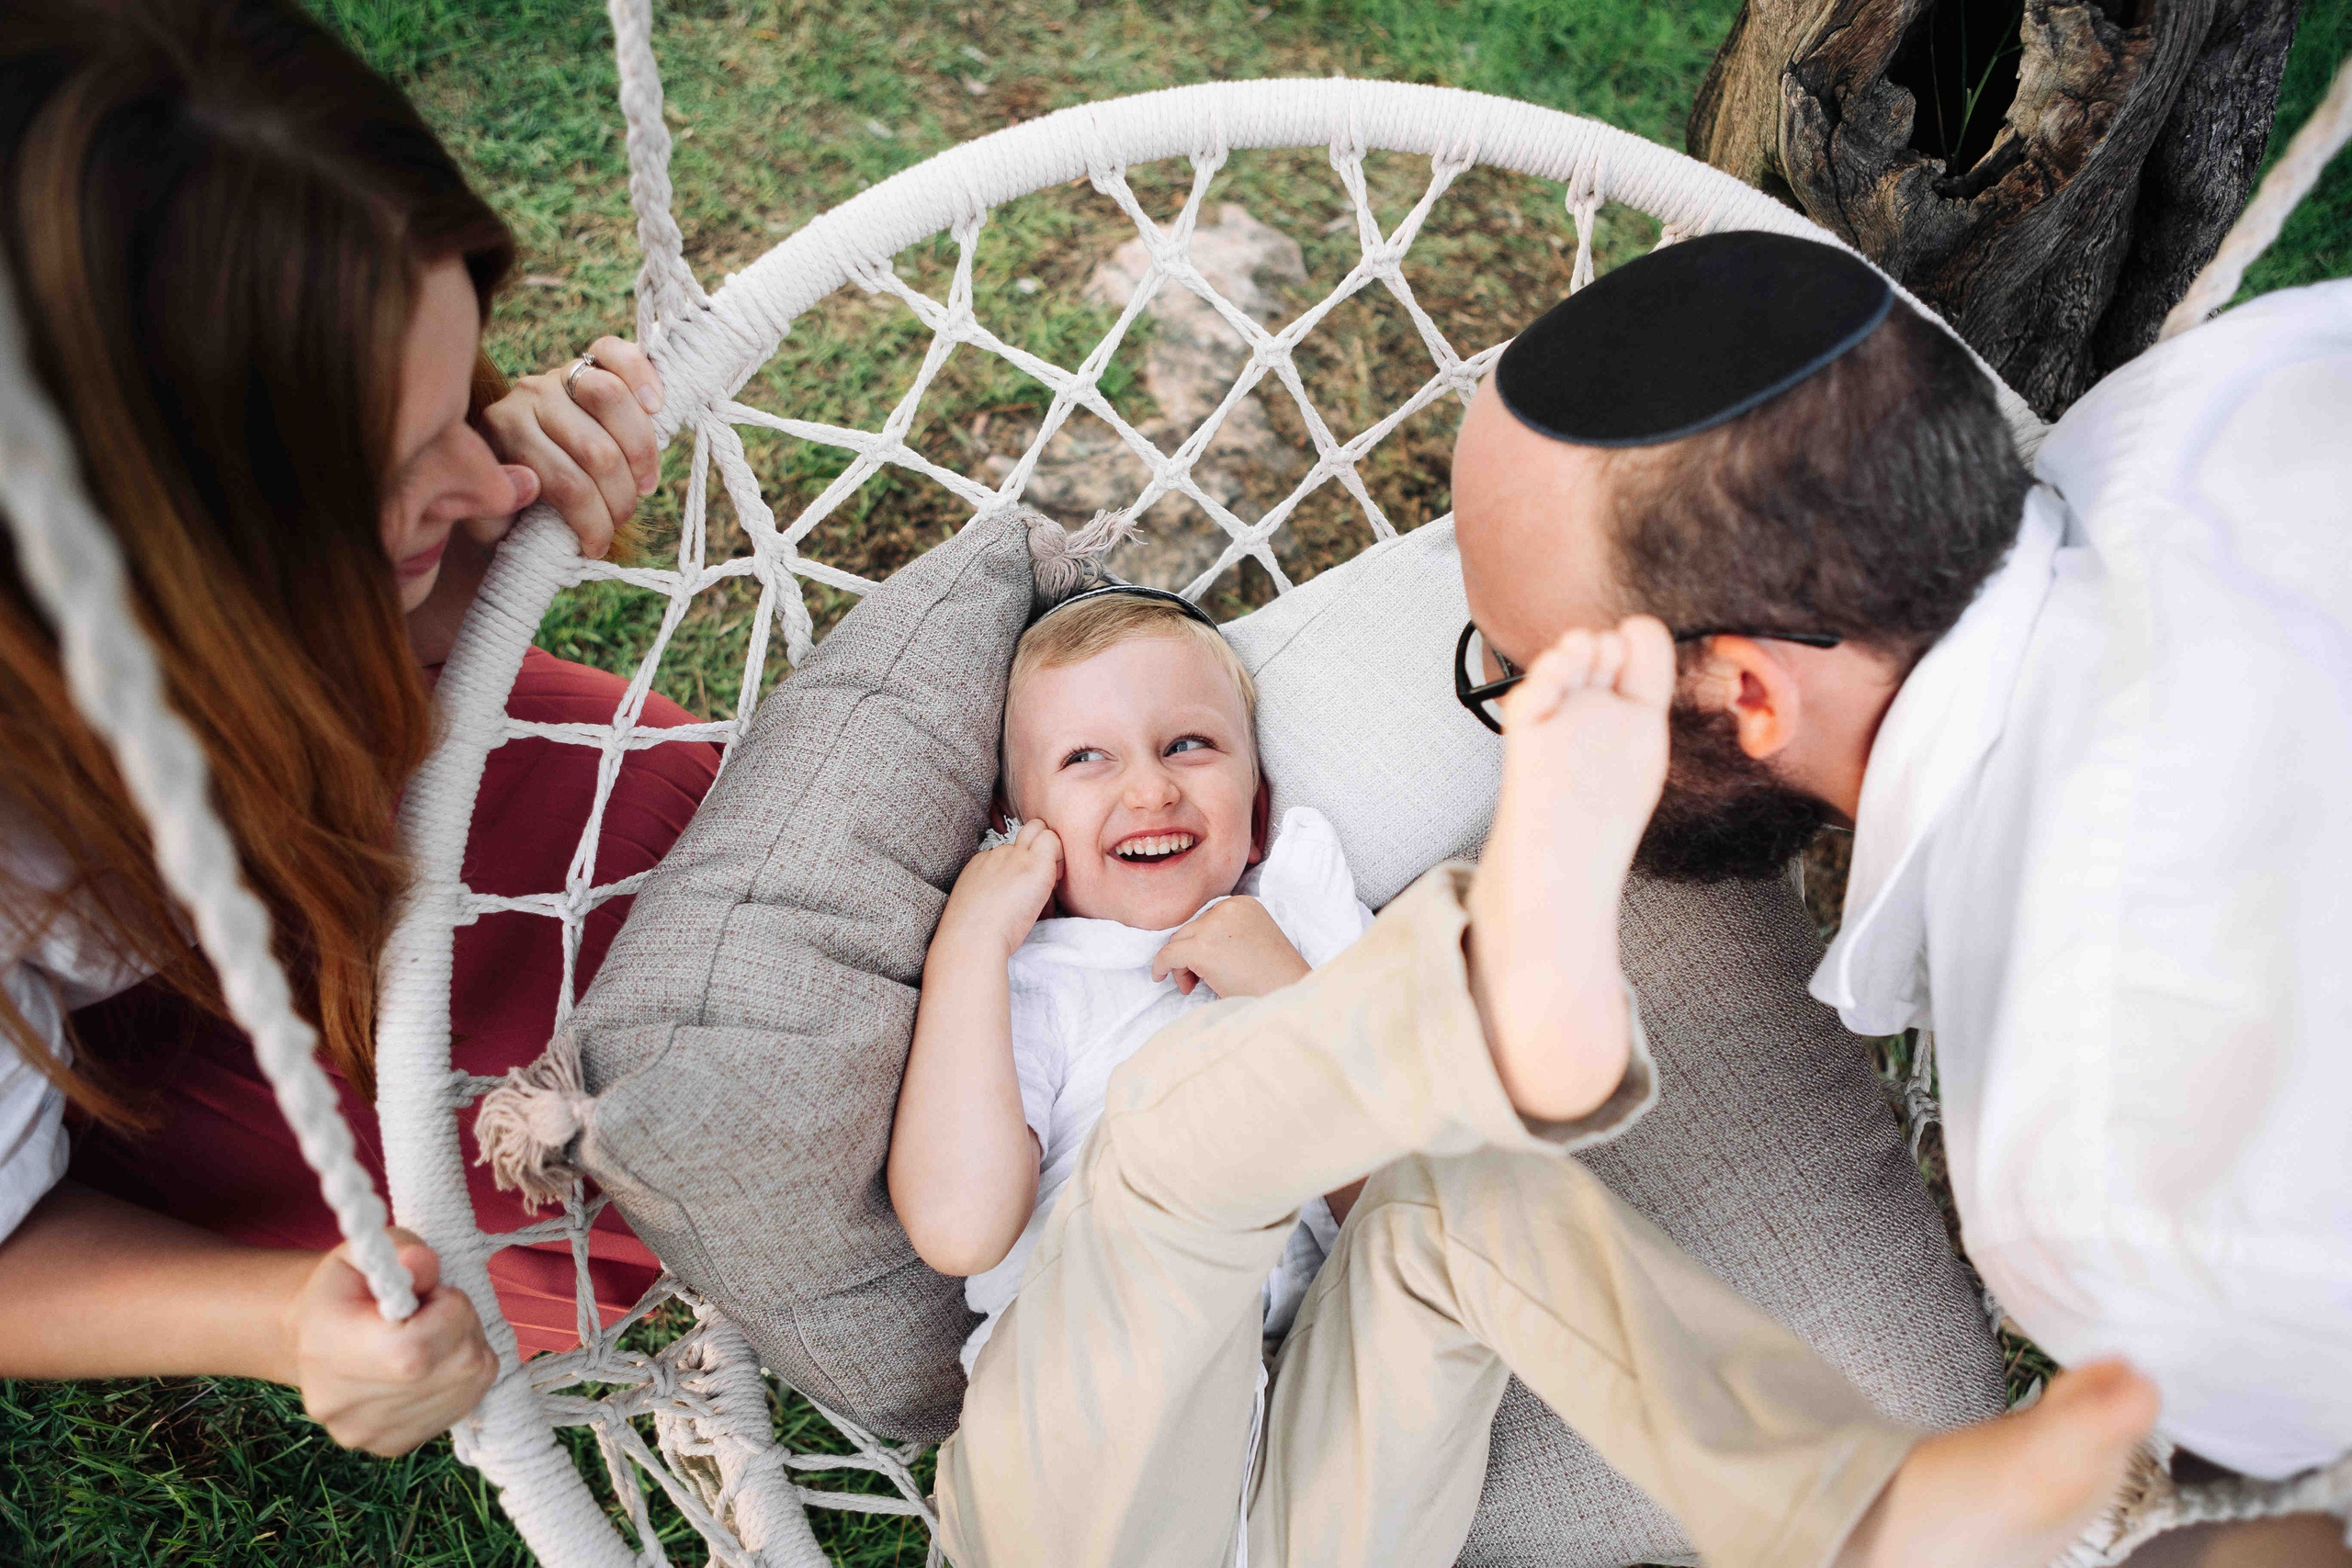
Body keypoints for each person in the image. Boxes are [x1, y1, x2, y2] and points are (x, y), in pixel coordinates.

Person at [915, 583, 2161, 1566]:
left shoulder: (1293, 913)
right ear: (1016, 831)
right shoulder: (1046, 974)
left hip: (1315, 1511)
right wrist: (979, 935)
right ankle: (1492, 1006)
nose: (1150, 784)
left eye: (1190, 743)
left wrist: (1284, 982)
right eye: (1086, 762)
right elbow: (966, 1227)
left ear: (1256, 800)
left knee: (1456, 1197)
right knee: (1156, 1152)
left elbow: (1369, 1217)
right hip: (1067, 1511)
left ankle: (1848, 1508)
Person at [1448, 230, 2351, 1560]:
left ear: (1748, 694)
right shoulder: (2227, 386)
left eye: (1531, 684)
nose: (1518, 723)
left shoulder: (2099, 1177)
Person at [0, 0, 710, 1456]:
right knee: (568, 1181)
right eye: (399, 467)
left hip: (306, 779)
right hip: (168, 1004)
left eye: (468, 390)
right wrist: (285, 1321)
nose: (495, 481)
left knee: (700, 837)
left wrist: (465, 519)